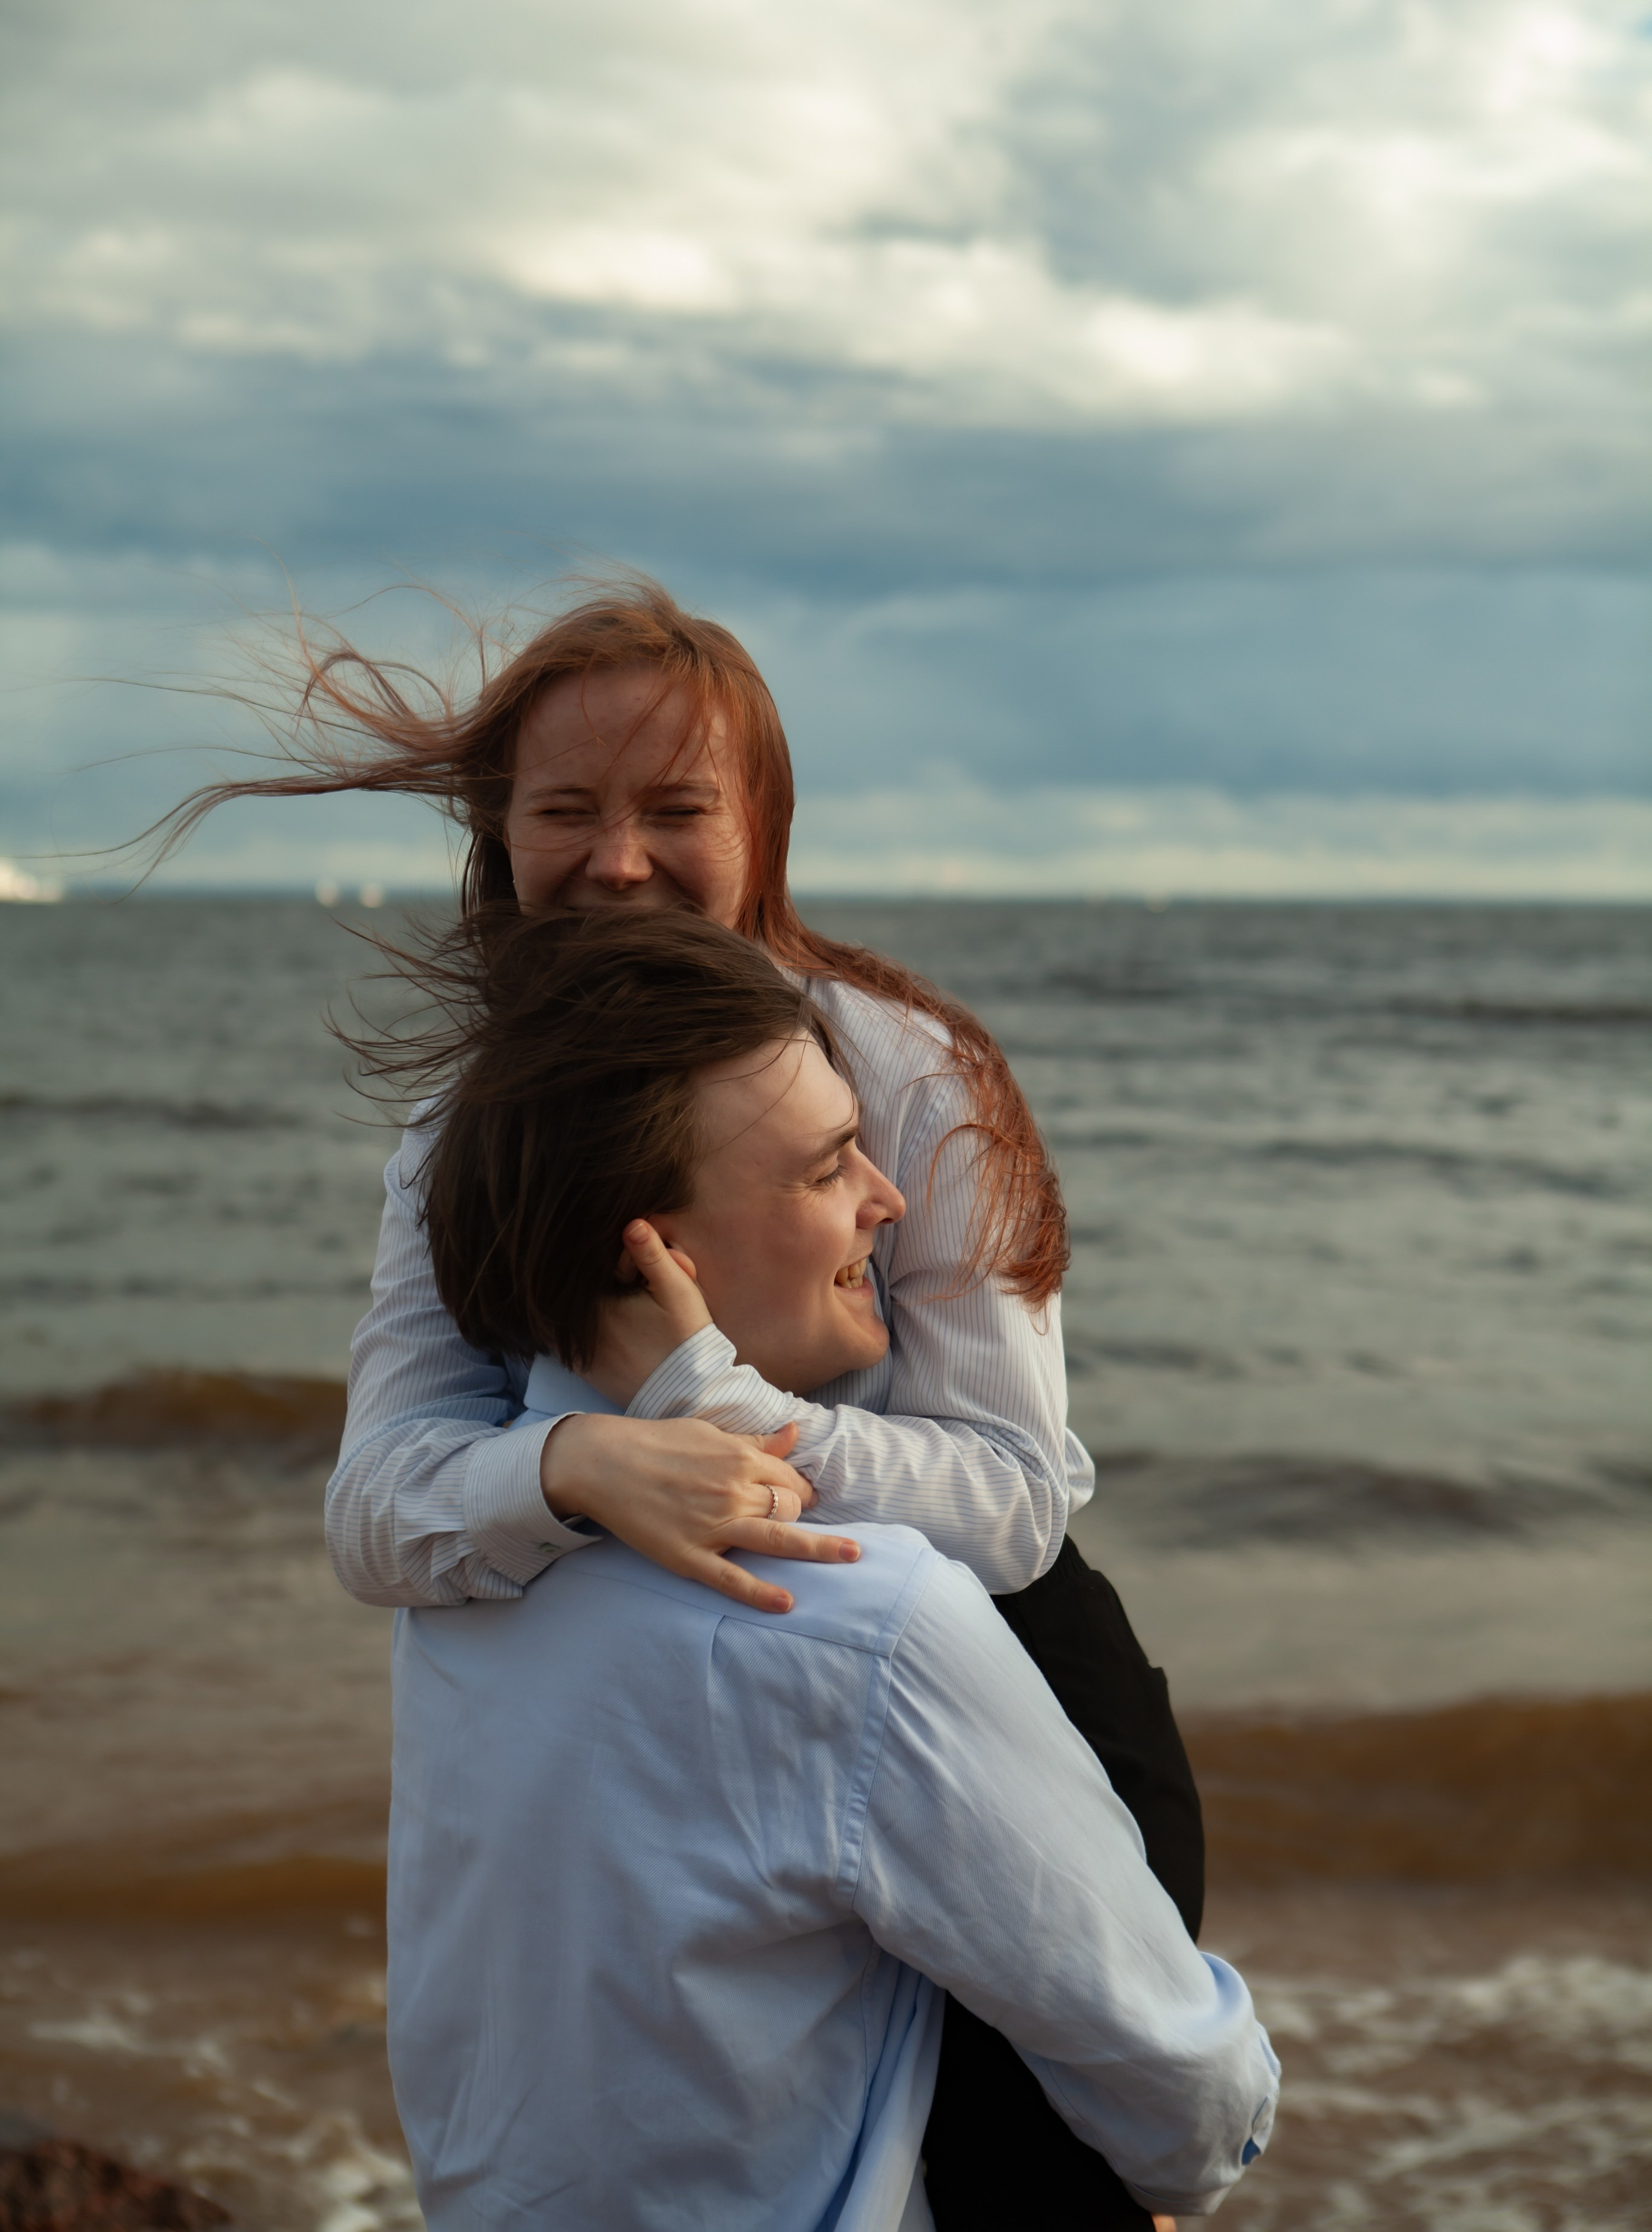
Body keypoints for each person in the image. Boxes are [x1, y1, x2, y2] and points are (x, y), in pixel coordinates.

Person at [156, 577, 1206, 2222]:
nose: (618, 859)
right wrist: (577, 1462)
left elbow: (1010, 1498)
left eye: (676, 810)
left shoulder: (905, 1074)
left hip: (999, 1715)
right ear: (497, 838)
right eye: (564, 810)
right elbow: (377, 1506)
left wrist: (717, 1426)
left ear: (762, 829)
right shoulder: (468, 1129)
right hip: (685, 1739)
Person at [383, 907, 1279, 2231]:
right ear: (658, 1257)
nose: (890, 1195)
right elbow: (1188, 2096)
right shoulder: (864, 1625)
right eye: (825, 1168)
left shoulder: (460, 1585)